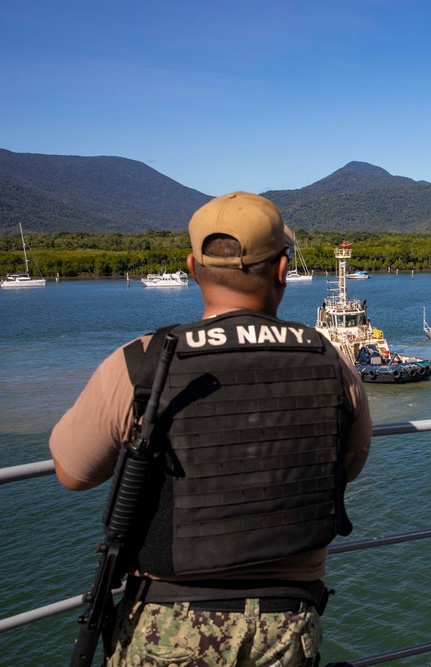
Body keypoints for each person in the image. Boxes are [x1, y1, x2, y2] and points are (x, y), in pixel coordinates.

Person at [50, 192, 371, 666]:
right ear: (282, 270)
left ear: (191, 267)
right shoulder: (332, 361)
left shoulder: (142, 363)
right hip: (286, 623)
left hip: (166, 625)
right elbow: (349, 464)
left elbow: (72, 472)